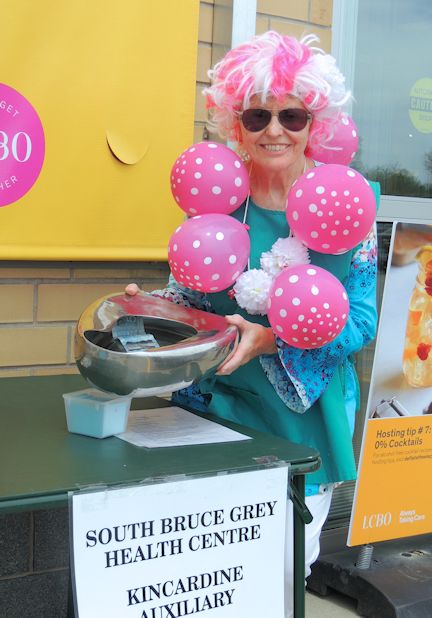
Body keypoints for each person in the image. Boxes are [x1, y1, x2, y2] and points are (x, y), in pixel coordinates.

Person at [127, 31, 379, 618]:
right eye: (258, 115)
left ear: (315, 123)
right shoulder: (216, 191)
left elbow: (362, 319)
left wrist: (275, 339)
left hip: (302, 423)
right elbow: (191, 295)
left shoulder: (349, 201)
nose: (274, 130)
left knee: (281, 575)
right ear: (235, 123)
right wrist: (153, 310)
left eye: (292, 115)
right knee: (211, 573)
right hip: (216, 411)